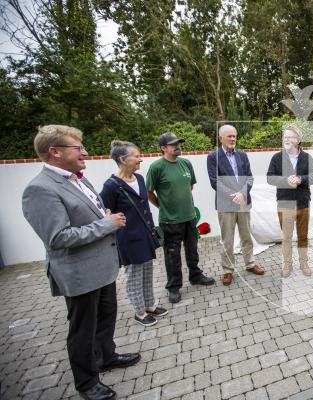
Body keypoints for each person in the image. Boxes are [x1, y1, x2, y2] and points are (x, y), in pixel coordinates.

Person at [22, 125, 140, 400]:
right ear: (55, 152)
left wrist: (103, 216)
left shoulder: (78, 179)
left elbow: (91, 214)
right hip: (79, 273)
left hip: (103, 267)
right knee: (82, 330)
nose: (85, 152)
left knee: (106, 316)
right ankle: (87, 383)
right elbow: (57, 237)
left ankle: (106, 357)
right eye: (78, 148)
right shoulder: (40, 189)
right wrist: (106, 224)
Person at [100, 141, 168, 327]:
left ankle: (150, 305)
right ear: (123, 159)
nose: (141, 159)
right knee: (134, 276)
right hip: (128, 238)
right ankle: (139, 312)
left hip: (145, 234)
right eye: (137, 156)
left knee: (147, 272)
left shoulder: (138, 179)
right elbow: (104, 213)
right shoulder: (111, 186)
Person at [146, 132, 215, 303]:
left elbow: (189, 186)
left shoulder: (186, 163)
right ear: (163, 148)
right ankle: (174, 287)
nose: (178, 146)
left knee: (192, 249)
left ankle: (196, 276)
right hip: (170, 221)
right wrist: (163, 206)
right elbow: (148, 192)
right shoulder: (157, 167)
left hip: (189, 217)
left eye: (178, 143)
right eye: (173, 144)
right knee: (172, 255)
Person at [207, 125, 264, 286]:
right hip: (226, 204)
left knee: (246, 236)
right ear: (220, 138)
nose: (233, 139)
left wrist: (242, 194)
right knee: (228, 240)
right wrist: (234, 195)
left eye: (234, 136)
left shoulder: (242, 155)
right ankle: (227, 270)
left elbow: (250, 178)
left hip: (244, 202)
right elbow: (214, 181)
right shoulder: (213, 157)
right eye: (229, 136)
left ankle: (250, 264)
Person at [267, 124, 313, 277]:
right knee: (287, 237)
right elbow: (270, 178)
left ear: (298, 140)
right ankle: (287, 265)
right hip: (284, 203)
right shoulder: (277, 157)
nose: (287, 139)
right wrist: (286, 180)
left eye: (290, 137)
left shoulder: (306, 157)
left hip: (303, 203)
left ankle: (304, 263)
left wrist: (301, 179)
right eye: (285, 137)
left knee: (303, 236)